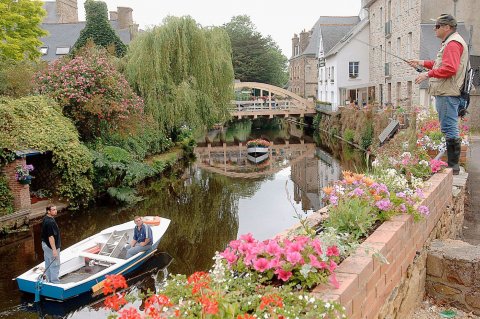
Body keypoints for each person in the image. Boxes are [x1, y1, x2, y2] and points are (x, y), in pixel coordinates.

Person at [408, 14, 469, 175]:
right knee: (449, 127)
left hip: (448, 92)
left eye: (437, 26)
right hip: (447, 91)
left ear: (447, 27)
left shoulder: (453, 43)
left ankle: (453, 167)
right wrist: (420, 63)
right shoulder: (451, 42)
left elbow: (449, 69)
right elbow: (440, 64)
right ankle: (453, 166)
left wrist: (426, 75)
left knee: (450, 128)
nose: (435, 29)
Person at [40, 205, 61, 283]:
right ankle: (55, 282)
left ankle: (48, 280)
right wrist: (54, 250)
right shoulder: (50, 222)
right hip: (50, 247)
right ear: (48, 211)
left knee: (48, 262)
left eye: (56, 209)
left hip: (45, 244)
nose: (55, 211)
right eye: (53, 210)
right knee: (55, 264)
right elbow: (51, 237)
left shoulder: (45, 218)